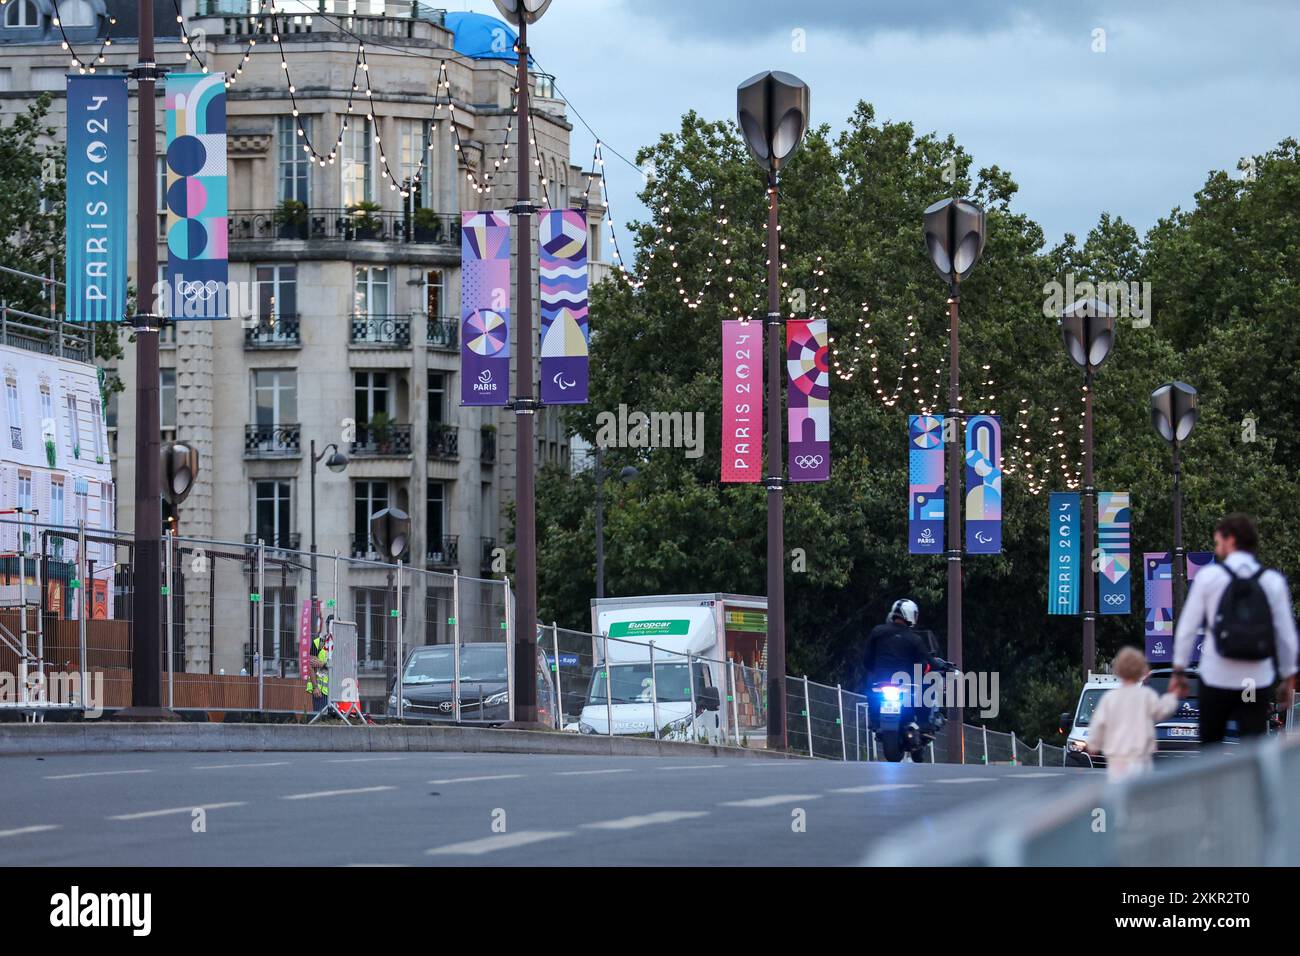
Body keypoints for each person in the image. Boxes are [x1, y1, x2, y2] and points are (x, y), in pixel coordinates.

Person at [1171, 513, 1298, 744]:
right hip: (1254, 678)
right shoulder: (1272, 581)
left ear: (1230, 540)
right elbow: (1286, 636)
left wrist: (1179, 670)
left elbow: (1187, 628)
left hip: (1216, 676)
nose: (1216, 545)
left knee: (1211, 749)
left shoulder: (1208, 577)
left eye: (1218, 541)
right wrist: (1289, 676)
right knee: (1253, 749)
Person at [1086, 647, 1179, 781]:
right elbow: (1162, 711)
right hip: (1141, 757)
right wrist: (1172, 696)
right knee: (1140, 794)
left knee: (1119, 792)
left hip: (1117, 758)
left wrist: (1093, 745)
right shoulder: (1146, 695)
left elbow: (1099, 723)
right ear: (1142, 670)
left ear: (1118, 670)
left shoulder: (1110, 698)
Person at [864, 598, 943, 688]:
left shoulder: (877, 631)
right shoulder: (914, 639)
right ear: (911, 614)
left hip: (877, 685)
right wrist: (942, 667)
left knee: (870, 692)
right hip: (905, 687)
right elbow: (928, 662)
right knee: (925, 694)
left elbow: (867, 661)